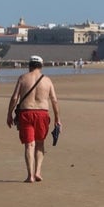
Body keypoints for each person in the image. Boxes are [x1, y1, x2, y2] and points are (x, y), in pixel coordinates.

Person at [6, 55, 61, 183]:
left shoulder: (23, 78)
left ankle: (30, 175)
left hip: (26, 113)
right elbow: (54, 100)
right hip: (42, 113)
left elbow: (15, 98)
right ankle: (38, 172)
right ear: (41, 66)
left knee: (29, 145)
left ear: (29, 65)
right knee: (40, 143)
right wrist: (57, 118)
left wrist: (9, 114)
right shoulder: (47, 81)